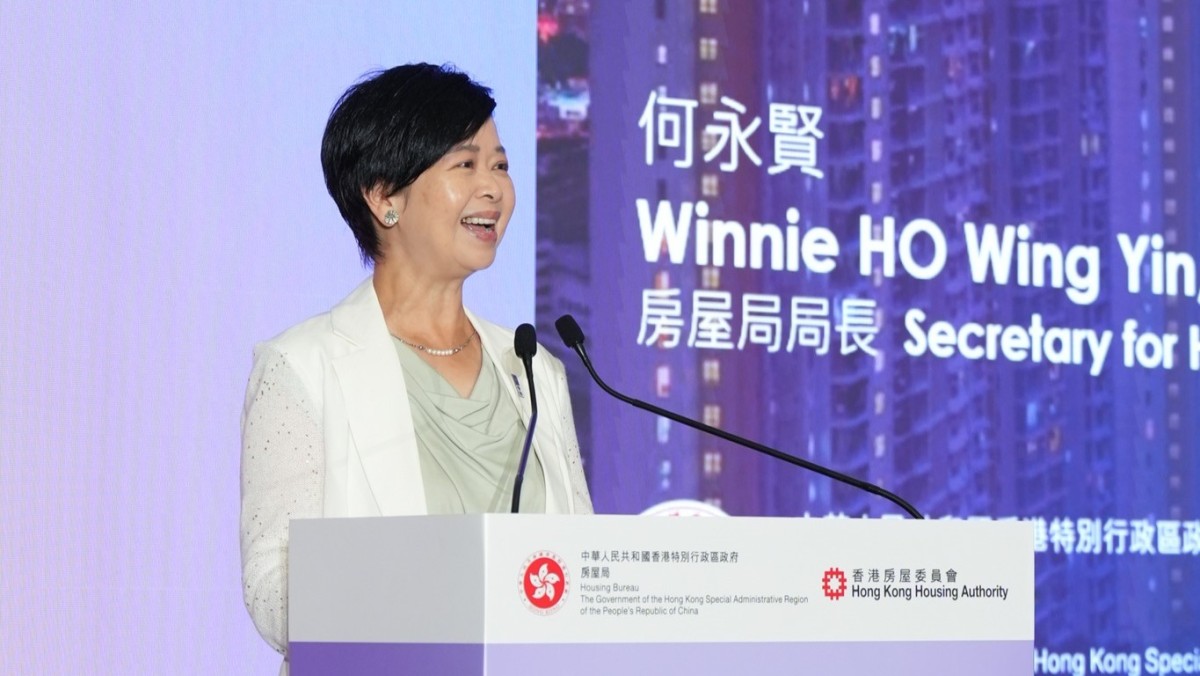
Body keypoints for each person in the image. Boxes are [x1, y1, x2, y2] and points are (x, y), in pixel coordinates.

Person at [239, 63, 593, 673]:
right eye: (465, 165)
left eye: (501, 165)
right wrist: (429, 594)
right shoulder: (301, 367)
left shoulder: (533, 368)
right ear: (383, 197)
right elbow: (273, 591)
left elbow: (582, 562)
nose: (494, 189)